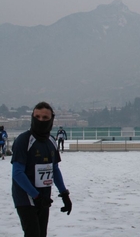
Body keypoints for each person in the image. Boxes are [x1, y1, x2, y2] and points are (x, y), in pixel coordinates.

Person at [11, 101, 72, 237]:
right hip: (26, 198)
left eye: (45, 118)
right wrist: (36, 195)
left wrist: (65, 194)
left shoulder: (51, 141)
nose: (41, 120)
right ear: (32, 117)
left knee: (41, 234)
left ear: (51, 120)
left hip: (44, 197)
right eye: (37, 117)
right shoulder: (24, 140)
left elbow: (54, 169)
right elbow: (17, 173)